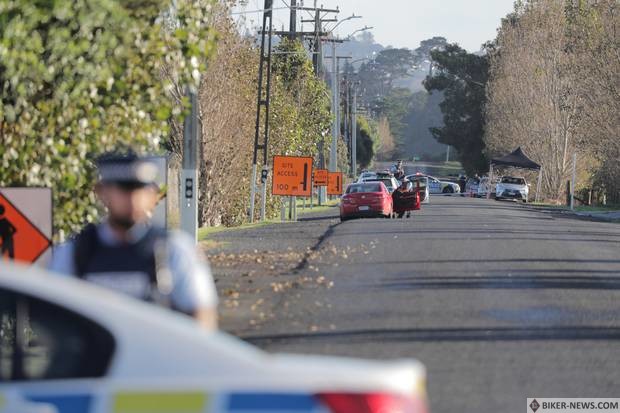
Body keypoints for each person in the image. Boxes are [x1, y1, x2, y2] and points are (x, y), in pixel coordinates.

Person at [49, 152, 218, 330]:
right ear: (101, 192)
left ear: (153, 195)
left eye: (139, 189)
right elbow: (54, 319)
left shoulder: (174, 249)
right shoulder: (74, 252)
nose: (132, 199)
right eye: (123, 189)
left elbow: (202, 317)